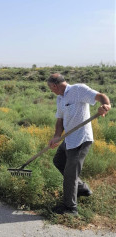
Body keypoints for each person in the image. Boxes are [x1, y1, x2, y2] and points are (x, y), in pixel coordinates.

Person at [47, 73, 111, 215]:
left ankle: (70, 208)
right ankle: (82, 189)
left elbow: (100, 96)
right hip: (69, 139)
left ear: (55, 86)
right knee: (58, 160)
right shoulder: (60, 98)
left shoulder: (78, 90)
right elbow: (60, 120)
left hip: (81, 139)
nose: (51, 91)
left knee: (70, 174)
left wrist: (106, 105)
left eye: (51, 88)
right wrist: (57, 136)